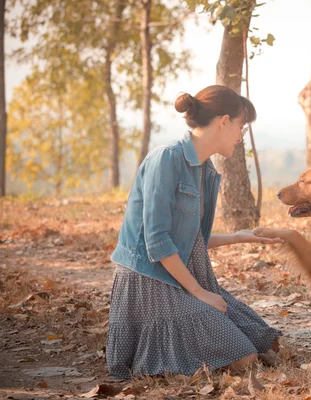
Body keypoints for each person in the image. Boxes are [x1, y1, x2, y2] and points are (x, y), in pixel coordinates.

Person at [106, 85, 282, 379]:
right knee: (245, 358)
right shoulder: (166, 159)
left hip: (181, 275)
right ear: (224, 121)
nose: (242, 136)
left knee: (265, 339)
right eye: (242, 126)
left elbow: (190, 239)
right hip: (149, 282)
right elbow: (158, 242)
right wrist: (199, 293)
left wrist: (240, 236)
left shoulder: (204, 169)